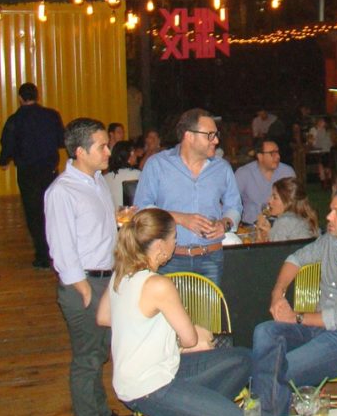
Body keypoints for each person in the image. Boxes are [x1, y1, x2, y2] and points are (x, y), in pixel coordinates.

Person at [96, 208, 252, 416]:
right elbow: (190, 340)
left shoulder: (122, 272)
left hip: (160, 366)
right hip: (148, 387)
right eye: (174, 238)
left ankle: (198, 410)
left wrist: (153, 331)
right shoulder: (158, 285)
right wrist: (191, 336)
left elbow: (103, 317)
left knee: (243, 359)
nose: (176, 243)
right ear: (160, 245)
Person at [252, 186, 337, 416]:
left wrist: (295, 317)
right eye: (330, 210)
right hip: (318, 329)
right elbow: (295, 259)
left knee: (279, 367)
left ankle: (266, 412)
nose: (328, 216)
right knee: (265, 332)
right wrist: (278, 294)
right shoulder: (330, 241)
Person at [44, 118, 121, 416]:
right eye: (102, 147)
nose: (108, 152)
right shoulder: (62, 191)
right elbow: (61, 247)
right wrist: (84, 288)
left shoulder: (97, 180)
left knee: (98, 354)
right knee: (88, 359)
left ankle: (100, 412)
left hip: (105, 279)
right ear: (80, 151)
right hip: (86, 285)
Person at [134, 108, 242, 286]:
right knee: (169, 306)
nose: (216, 140)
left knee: (210, 305)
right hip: (169, 258)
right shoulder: (158, 165)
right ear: (189, 136)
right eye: (210, 135)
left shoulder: (222, 168)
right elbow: (141, 209)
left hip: (211, 258)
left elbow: (234, 206)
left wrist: (225, 223)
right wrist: (180, 218)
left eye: (216, 135)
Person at [0, 82, 65, 269]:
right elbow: (61, 140)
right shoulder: (52, 116)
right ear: (37, 96)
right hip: (49, 171)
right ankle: (57, 251)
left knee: (34, 213)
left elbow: (7, 144)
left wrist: (3, 160)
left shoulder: (15, 120)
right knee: (51, 211)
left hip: (27, 173)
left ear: (20, 98)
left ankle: (42, 255)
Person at [235, 138, 296, 225]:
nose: (278, 156)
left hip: (282, 225)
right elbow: (230, 201)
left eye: (277, 152)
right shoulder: (244, 173)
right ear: (260, 156)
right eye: (272, 153)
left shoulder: (287, 172)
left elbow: (295, 203)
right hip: (251, 226)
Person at [255, 177, 319, 242]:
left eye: (275, 197)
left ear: (288, 201)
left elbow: (271, 248)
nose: (269, 201)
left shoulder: (284, 221)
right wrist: (270, 233)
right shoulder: (303, 218)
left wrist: (259, 233)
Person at [307, 116, 337, 188]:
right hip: (335, 153)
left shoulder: (321, 131)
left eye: (321, 121)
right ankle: (331, 181)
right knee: (331, 167)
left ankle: (324, 182)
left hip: (324, 153)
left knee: (321, 165)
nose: (319, 123)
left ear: (325, 123)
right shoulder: (336, 130)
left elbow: (318, 144)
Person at [104, 141, 141, 210]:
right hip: (132, 215)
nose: (137, 155)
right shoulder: (138, 175)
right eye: (135, 152)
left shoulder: (105, 178)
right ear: (131, 154)